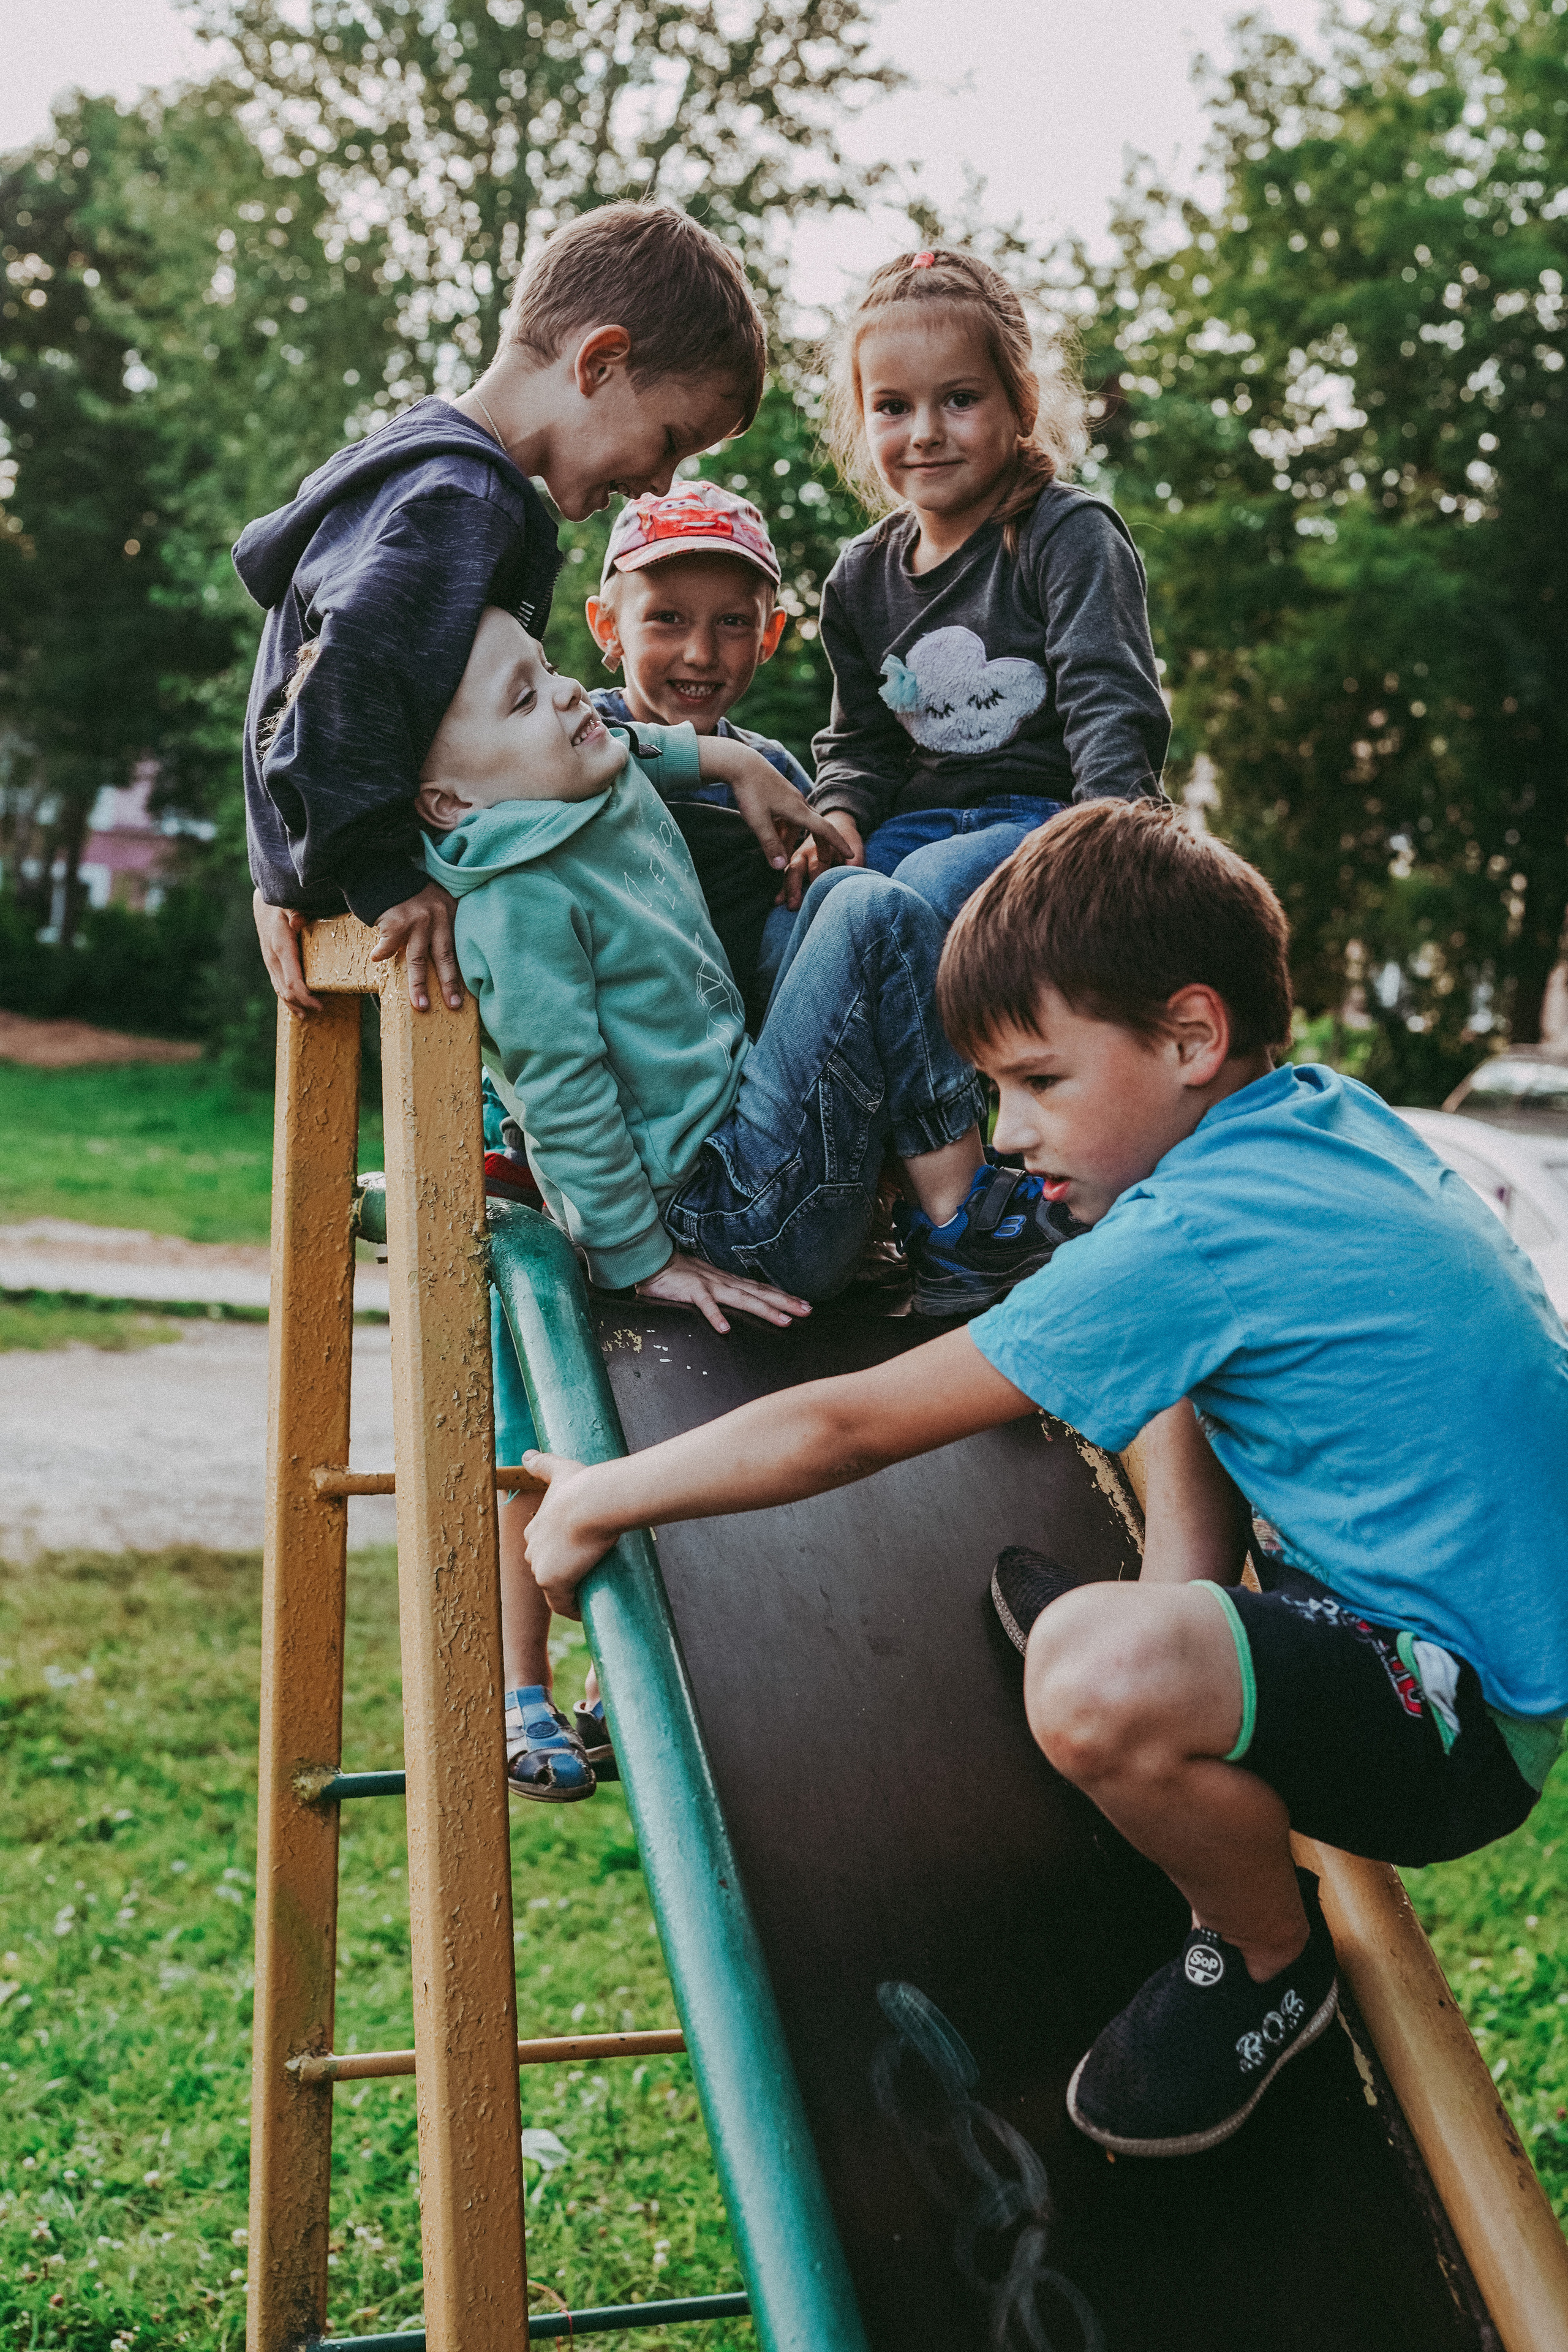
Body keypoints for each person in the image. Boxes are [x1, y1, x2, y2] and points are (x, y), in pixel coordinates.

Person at [519, 798, 1568, 2158]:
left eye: (1038, 1082)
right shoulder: (1312, 1126)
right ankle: (1178, 1605)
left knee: (1087, 1674)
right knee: (1152, 1361)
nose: (1004, 1133)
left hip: (1453, 1728)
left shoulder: (1194, 1232)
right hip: (1421, 1627)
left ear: (1188, 1037)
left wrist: (605, 1490)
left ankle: (1260, 1962)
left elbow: (853, 1426)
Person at [417, 610, 1074, 1801]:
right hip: (733, 1214)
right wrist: (635, 1256)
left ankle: (948, 1209)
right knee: (870, 912)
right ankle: (956, 1225)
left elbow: (635, 737)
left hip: (744, 1157)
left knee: (843, 906)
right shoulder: (513, 896)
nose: (568, 700)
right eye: (524, 703)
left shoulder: (584, 772)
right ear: (455, 806)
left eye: (545, 673)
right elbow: (557, 1088)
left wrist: (731, 761)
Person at [234, 201, 813, 1019]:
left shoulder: (411, 465)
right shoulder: (464, 501)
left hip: (338, 856)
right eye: (670, 440)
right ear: (600, 362)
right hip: (389, 874)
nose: (659, 483)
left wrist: (279, 858)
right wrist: (378, 875)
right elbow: (340, 684)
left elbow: (296, 676)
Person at [795, 246, 1170, 934]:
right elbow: (861, 746)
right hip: (915, 828)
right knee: (811, 909)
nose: (926, 433)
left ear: (1020, 403)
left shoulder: (1066, 535)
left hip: (1050, 823)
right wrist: (837, 820)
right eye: (892, 407)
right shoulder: (859, 578)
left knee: (923, 888)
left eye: (960, 399)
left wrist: (1109, 853)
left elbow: (1110, 707)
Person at [584, 480, 812, 1026]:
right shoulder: (578, 725)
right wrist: (724, 762)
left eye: (733, 623)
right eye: (668, 618)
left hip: (745, 1046)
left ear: (769, 636)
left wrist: (814, 859)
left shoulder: (775, 770)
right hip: (598, 1040)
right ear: (608, 628)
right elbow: (550, 770)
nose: (702, 654)